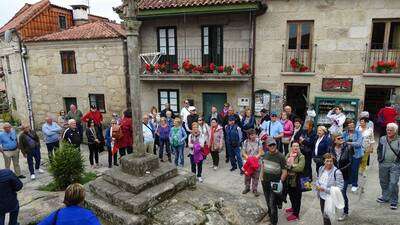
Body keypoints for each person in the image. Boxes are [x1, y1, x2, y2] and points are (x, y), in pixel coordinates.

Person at [260, 138, 287, 225]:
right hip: (265, 182)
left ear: (276, 145)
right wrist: (261, 177)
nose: (272, 146)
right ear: (267, 146)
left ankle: (273, 221)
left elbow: (284, 171)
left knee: (272, 203)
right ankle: (270, 215)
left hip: (275, 183)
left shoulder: (281, 156)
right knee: (268, 201)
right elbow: (263, 166)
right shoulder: (266, 154)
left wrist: (279, 182)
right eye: (270, 145)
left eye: (273, 145)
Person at [329, 133, 353, 221]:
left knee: (342, 193)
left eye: (342, 138)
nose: (341, 139)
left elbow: (350, 162)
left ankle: (345, 212)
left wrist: (340, 170)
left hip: (344, 174)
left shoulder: (348, 147)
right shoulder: (331, 148)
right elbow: (328, 161)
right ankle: (334, 208)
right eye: (339, 138)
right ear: (334, 140)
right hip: (334, 175)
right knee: (333, 192)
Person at [315, 153, 344, 225]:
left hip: (330, 198)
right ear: (324, 161)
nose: (329, 163)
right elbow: (318, 179)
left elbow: (340, 187)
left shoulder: (337, 172)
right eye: (327, 161)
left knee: (328, 216)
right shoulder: (321, 168)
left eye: (331, 161)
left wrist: (324, 189)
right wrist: (317, 185)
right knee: (324, 214)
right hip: (322, 196)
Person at [376, 123, 399, 210]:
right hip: (383, 163)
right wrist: (379, 159)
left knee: (393, 183)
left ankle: (394, 201)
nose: (388, 131)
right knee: (384, 181)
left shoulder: (399, 140)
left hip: (395, 165)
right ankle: (385, 197)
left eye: (391, 130)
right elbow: (379, 149)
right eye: (387, 129)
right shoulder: (382, 138)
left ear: (395, 131)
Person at [285, 142, 305, 222]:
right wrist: (293, 165)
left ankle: (296, 214)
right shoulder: (288, 154)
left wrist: (290, 166)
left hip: (298, 180)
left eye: (297, 146)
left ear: (299, 147)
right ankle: (293, 208)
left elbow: (300, 168)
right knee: (291, 195)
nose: (296, 147)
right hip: (289, 179)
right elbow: (284, 164)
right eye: (294, 146)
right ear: (291, 147)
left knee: (297, 197)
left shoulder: (301, 156)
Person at [342, 119, 363, 192]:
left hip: (356, 154)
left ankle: (354, 184)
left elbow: (359, 144)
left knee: (354, 169)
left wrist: (348, 142)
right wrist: (348, 142)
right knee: (348, 168)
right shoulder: (344, 133)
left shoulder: (358, 133)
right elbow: (342, 142)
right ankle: (349, 181)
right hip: (347, 154)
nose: (350, 126)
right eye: (349, 125)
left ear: (354, 125)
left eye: (352, 125)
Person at [242, 129, 263, 197]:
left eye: (254, 134)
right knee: (247, 176)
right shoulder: (246, 142)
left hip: (257, 162)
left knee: (256, 176)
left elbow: (260, 152)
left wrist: (253, 159)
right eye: (252, 135)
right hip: (248, 162)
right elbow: (243, 152)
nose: (254, 136)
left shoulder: (259, 142)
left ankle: (255, 189)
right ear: (249, 136)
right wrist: (248, 159)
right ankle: (247, 187)